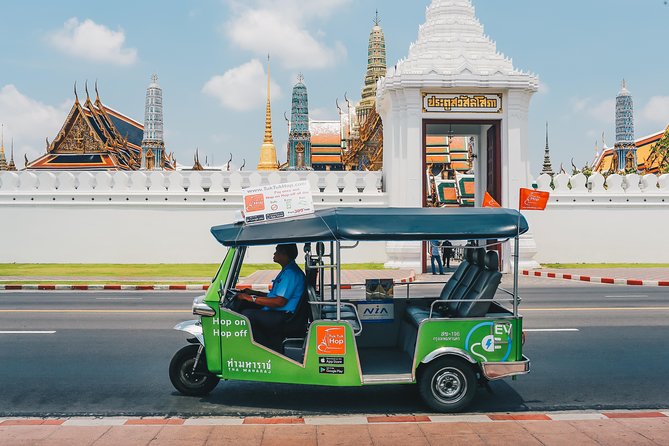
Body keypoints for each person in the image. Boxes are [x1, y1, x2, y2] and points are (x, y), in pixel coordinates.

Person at [235, 244, 306, 350]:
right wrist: (254, 293)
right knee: (246, 305)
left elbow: (279, 301)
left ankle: (264, 349)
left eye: (277, 251)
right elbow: (274, 295)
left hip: (285, 316)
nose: (274, 253)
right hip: (281, 312)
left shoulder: (291, 274)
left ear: (284, 254)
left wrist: (250, 298)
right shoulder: (287, 271)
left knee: (246, 315)